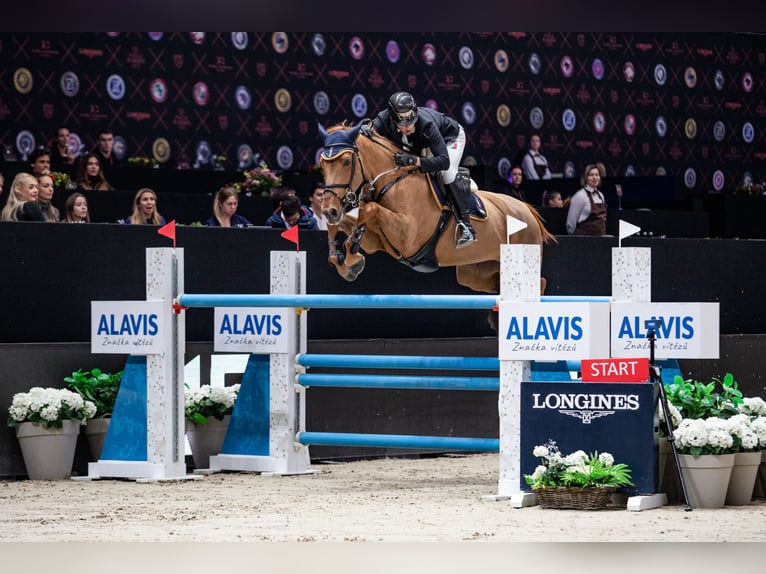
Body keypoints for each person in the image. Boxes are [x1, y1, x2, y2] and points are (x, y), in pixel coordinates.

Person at [372, 91, 476, 248]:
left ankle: (466, 226)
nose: (407, 127)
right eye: (402, 123)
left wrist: (415, 161)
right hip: (421, 143)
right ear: (392, 118)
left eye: (410, 122)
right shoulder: (383, 119)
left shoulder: (426, 125)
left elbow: (444, 161)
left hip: (450, 139)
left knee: (446, 173)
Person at [566, 163, 607, 236]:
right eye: (591, 175)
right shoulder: (580, 196)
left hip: (600, 240)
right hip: (584, 240)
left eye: (597, 175)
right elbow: (570, 223)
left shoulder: (601, 196)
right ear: (585, 177)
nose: (595, 178)